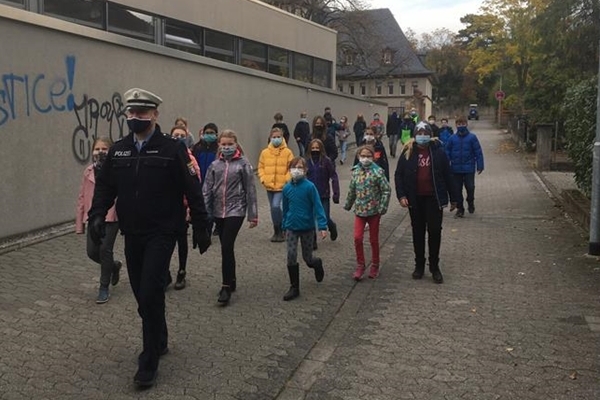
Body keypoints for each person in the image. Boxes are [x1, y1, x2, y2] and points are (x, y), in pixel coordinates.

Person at [88, 88, 211, 388]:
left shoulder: (172, 149)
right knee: (142, 295)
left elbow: (192, 188)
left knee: (150, 291)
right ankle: (160, 336)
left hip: (163, 232)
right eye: (131, 112)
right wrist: (97, 214)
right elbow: (105, 187)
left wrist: (201, 223)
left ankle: (149, 361)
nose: (135, 117)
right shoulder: (119, 150)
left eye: (141, 112)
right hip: (132, 233)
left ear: (155, 114)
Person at [394, 121, 458, 284]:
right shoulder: (408, 152)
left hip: (433, 198)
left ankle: (434, 266)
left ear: (430, 135)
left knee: (435, 232)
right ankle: (419, 265)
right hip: (415, 199)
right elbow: (399, 175)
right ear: (415, 135)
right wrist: (401, 195)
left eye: (425, 134)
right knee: (418, 232)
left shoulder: (438, 152)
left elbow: (448, 175)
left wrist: (454, 197)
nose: (422, 136)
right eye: (419, 134)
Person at [203, 130, 258, 305]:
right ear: (219, 145)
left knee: (226, 245)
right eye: (224, 144)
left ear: (236, 144)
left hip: (236, 210)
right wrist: (204, 213)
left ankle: (225, 286)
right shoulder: (214, 165)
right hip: (218, 210)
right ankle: (232, 279)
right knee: (227, 247)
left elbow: (250, 189)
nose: (226, 147)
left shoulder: (243, 164)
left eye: (230, 144)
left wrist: (253, 215)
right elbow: (207, 190)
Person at [76, 136, 121, 304]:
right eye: (97, 149)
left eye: (104, 149)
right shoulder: (88, 171)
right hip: (93, 217)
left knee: (105, 250)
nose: (100, 152)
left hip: (111, 216)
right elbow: (82, 197)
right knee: (92, 252)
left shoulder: (117, 169)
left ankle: (103, 287)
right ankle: (114, 266)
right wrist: (80, 223)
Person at [281, 156, 328, 301]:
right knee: (291, 255)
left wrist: (322, 226)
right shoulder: (286, 188)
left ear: (306, 170)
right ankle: (294, 287)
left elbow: (318, 206)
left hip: (307, 227)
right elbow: (285, 208)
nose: (296, 170)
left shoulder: (310, 187)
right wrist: (283, 225)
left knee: (307, 258)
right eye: (294, 167)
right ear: (289, 170)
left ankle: (316, 263)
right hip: (291, 227)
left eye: (300, 167)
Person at [344, 145, 391, 281]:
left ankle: (375, 264)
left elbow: (386, 190)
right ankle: (360, 265)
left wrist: (382, 207)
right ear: (358, 157)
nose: (365, 158)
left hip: (374, 211)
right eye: (362, 156)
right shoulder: (356, 171)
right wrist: (348, 204)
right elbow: (352, 189)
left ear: (373, 157)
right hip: (360, 211)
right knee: (357, 238)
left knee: (373, 240)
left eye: (368, 156)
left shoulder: (378, 172)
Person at [169, 124, 202, 290]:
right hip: (165, 207)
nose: (179, 138)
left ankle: (182, 271)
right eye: (176, 135)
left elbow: (195, 184)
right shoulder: (166, 155)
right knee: (166, 241)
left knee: (181, 240)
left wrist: (191, 209)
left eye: (182, 136)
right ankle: (164, 272)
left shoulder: (190, 158)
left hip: (182, 206)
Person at [258, 127, 294, 242]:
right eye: (274, 137)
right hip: (269, 185)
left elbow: (291, 168)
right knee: (273, 209)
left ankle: (282, 227)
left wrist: (286, 180)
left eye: (278, 137)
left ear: (282, 138)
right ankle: (277, 231)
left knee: (276, 206)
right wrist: (263, 179)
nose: (276, 139)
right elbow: (261, 167)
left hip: (281, 186)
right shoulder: (265, 152)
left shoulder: (288, 152)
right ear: (270, 138)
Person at [445, 116, 485, 218]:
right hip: (455, 169)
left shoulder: (472, 137)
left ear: (466, 124)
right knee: (457, 190)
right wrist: (446, 164)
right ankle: (460, 209)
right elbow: (447, 152)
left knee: (470, 187)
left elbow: (478, 152)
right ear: (456, 125)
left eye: (463, 124)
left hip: (469, 168)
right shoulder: (452, 138)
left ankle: (470, 201)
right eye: (459, 124)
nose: (461, 126)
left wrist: (480, 165)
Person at [306, 139, 340, 246]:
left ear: (321, 149)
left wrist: (336, 192)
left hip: (323, 194)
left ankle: (332, 226)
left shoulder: (326, 161)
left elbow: (334, 176)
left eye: (317, 148)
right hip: (310, 195)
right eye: (313, 148)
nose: (315, 150)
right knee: (311, 218)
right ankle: (313, 241)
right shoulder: (307, 162)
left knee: (324, 216)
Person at [191, 122, 220, 235]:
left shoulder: (218, 149)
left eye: (211, 133)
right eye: (207, 133)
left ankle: (216, 225)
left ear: (216, 134)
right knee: (204, 206)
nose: (209, 135)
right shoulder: (197, 148)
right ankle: (206, 229)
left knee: (214, 206)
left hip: (215, 182)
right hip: (200, 181)